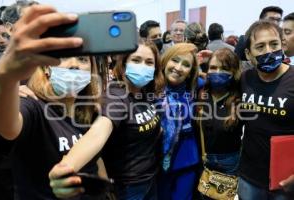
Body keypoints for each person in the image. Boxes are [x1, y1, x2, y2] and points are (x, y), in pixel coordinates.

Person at [0, 5, 105, 200]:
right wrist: (6, 78)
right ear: (46, 68)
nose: (74, 64)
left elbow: (96, 160)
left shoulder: (90, 110)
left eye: (82, 58)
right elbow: (7, 126)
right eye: (64, 57)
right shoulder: (33, 106)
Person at [49, 40, 165, 200]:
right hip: (127, 186)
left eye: (149, 62)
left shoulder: (144, 94)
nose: (142, 66)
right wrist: (67, 168)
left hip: (150, 179)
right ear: (124, 65)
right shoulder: (115, 96)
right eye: (136, 60)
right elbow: (98, 132)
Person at [238, 20, 293, 199]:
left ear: (282, 45)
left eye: (274, 44)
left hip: (286, 180)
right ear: (248, 53)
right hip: (249, 176)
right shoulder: (246, 78)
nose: (269, 51)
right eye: (260, 46)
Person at [157, 43, 203, 200]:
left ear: (191, 72)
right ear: (165, 61)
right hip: (156, 164)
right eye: (175, 60)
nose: (178, 67)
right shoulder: (150, 88)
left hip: (187, 162)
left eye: (186, 65)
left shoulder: (196, 89)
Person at [198, 48, 242, 199]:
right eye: (213, 68)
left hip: (229, 162)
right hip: (203, 159)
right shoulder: (201, 93)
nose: (217, 72)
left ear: (233, 72)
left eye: (224, 69)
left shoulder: (239, 97)